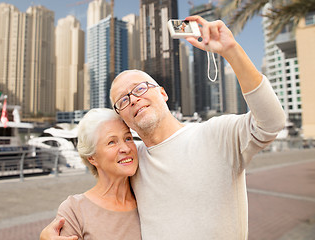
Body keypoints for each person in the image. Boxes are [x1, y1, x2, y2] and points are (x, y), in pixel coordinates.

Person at [41, 15, 286, 239]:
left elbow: (271, 122)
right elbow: (101, 197)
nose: (134, 98)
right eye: (123, 100)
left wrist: (232, 51)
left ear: (163, 93)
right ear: (123, 118)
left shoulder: (216, 134)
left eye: (139, 88)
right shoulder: (135, 164)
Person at [40, 108, 141, 240]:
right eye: (112, 142)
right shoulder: (75, 211)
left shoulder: (147, 199)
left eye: (128, 138)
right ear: (92, 158)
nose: (126, 148)